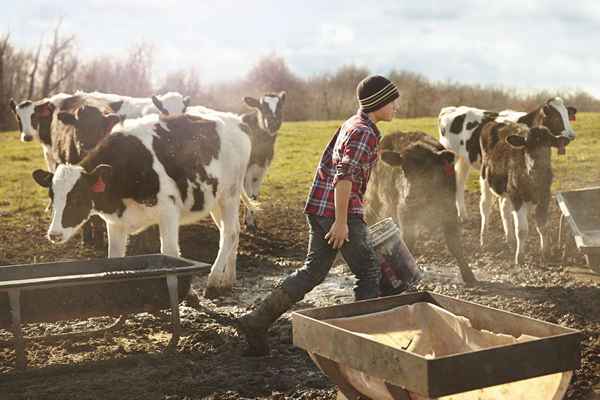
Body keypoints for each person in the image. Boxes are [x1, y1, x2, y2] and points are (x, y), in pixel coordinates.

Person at [236, 75, 400, 356]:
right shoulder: (364, 132)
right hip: (337, 212)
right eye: (393, 100)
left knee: (313, 272)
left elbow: (340, 170)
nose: (397, 105)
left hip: (321, 207)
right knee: (369, 271)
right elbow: (344, 175)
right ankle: (364, 345)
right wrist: (340, 221)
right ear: (379, 102)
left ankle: (256, 321)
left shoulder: (353, 123)